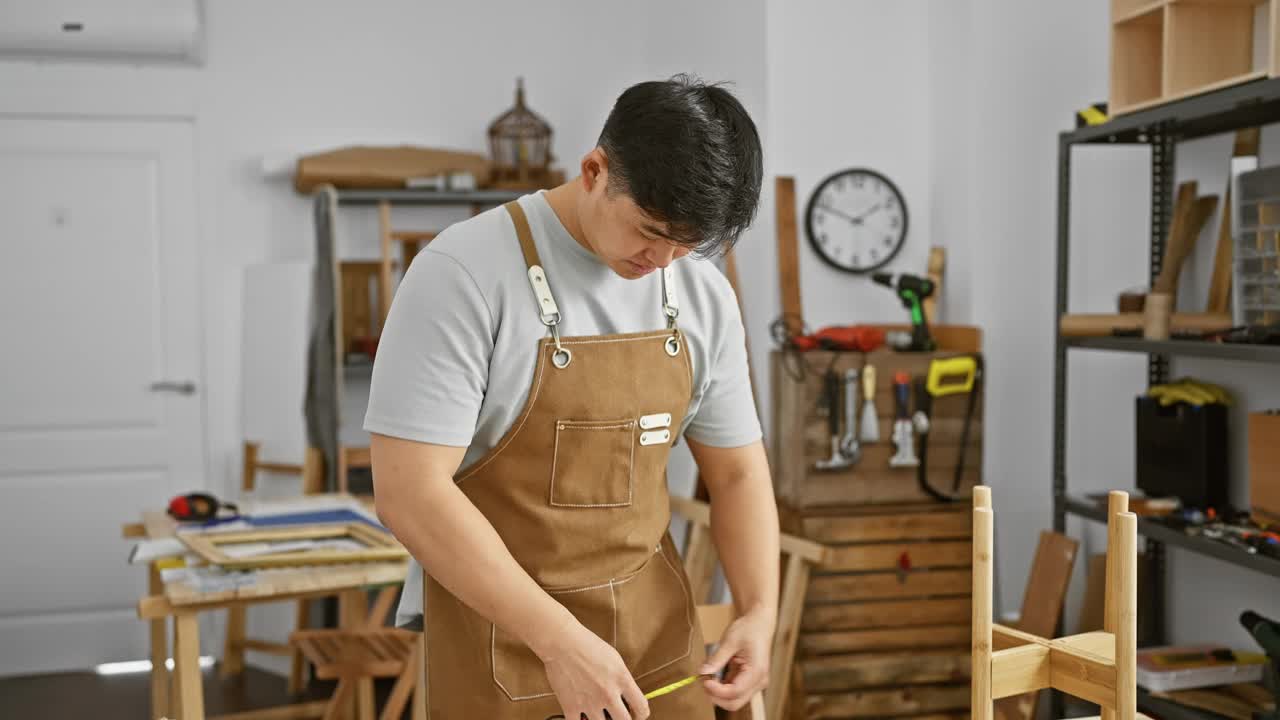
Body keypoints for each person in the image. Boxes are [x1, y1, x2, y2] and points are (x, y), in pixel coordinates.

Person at [367, 74, 780, 720]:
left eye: (686, 244)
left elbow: (737, 472)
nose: (664, 260)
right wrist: (558, 640)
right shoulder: (463, 275)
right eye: (651, 230)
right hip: (505, 655)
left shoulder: (700, 294)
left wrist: (759, 612)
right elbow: (408, 491)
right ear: (594, 170)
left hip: (656, 658)